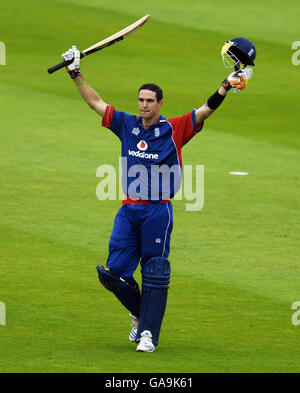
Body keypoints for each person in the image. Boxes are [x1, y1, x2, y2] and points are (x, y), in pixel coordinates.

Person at [61, 39, 254, 352]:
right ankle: (139, 314)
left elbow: (205, 111)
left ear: (160, 103)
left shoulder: (175, 129)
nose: (143, 105)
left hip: (157, 211)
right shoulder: (126, 124)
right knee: (113, 275)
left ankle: (148, 334)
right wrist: (75, 73)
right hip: (128, 211)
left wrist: (225, 86)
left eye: (150, 100)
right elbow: (96, 103)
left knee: (154, 272)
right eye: (140, 100)